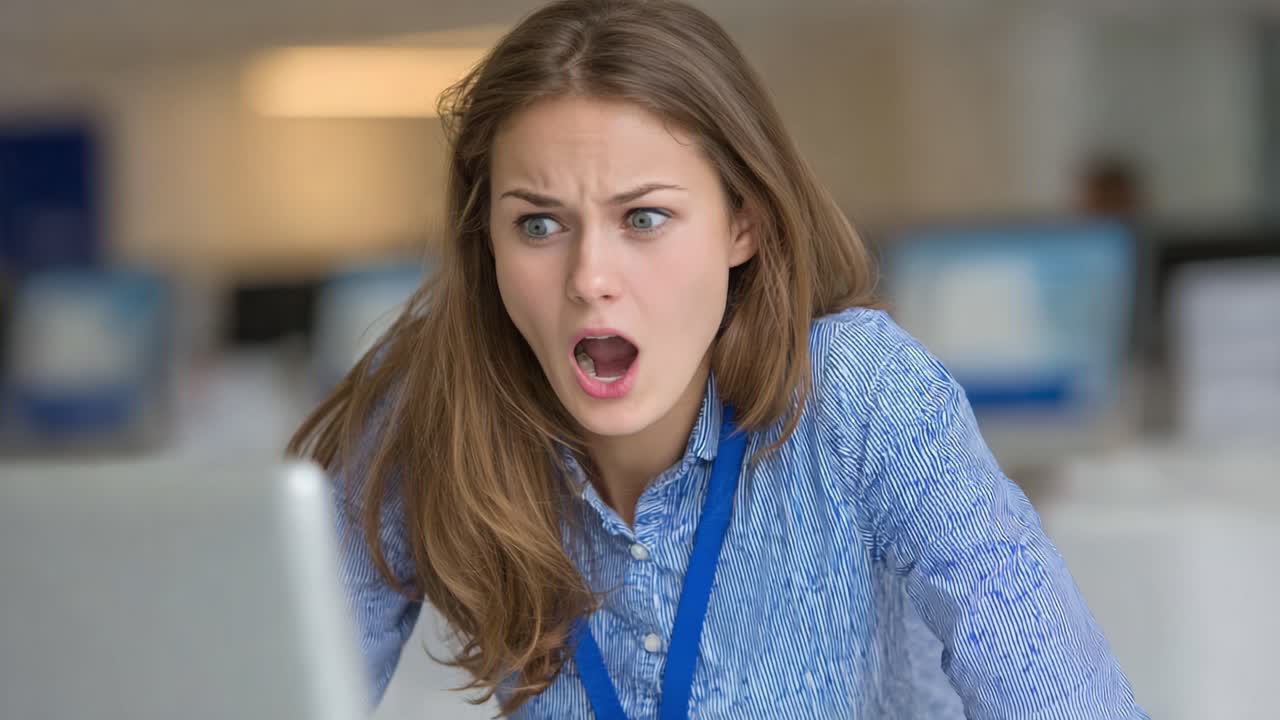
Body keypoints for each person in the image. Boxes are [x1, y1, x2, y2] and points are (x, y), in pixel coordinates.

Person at [288, 1, 1148, 717]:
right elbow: (274, 687)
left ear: (745, 223)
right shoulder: (435, 405)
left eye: (645, 218)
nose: (590, 279)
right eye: (538, 224)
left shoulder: (855, 395)